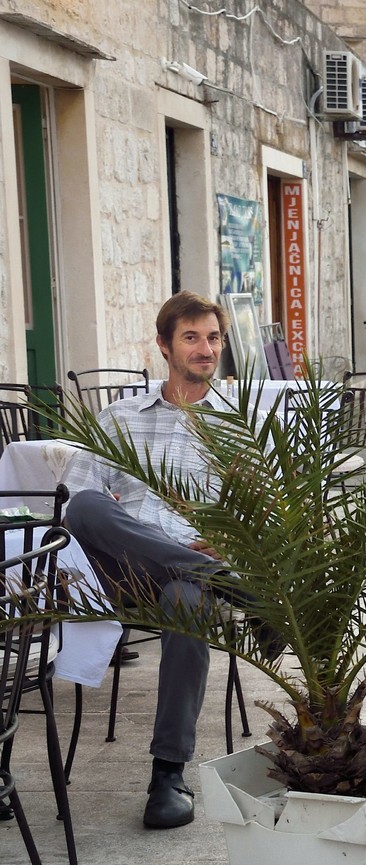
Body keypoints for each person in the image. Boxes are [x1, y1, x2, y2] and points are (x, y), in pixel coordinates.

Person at [61, 291, 234, 830]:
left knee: (186, 602)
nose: (205, 349)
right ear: (163, 346)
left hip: (191, 577)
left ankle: (167, 775)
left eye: (212, 338)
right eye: (191, 338)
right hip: (123, 571)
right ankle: (224, 582)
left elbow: (263, 516)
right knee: (86, 505)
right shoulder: (119, 417)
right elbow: (79, 506)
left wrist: (226, 547)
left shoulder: (240, 424)